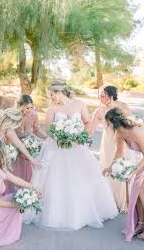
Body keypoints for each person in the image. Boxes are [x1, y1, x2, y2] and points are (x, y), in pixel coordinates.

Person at [24, 82, 118, 230]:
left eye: (52, 95)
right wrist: (62, 137)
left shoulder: (80, 104)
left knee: (80, 178)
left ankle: (85, 212)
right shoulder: (52, 108)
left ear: (59, 92)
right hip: (57, 149)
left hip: (77, 148)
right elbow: (49, 130)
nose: (51, 98)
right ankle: (57, 214)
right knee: (57, 180)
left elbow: (87, 122)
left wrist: (79, 135)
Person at [88, 85, 139, 212]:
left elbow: (132, 125)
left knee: (123, 167)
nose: (101, 98)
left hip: (123, 140)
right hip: (108, 144)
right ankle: (109, 201)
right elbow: (90, 131)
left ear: (111, 95)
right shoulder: (99, 111)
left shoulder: (123, 107)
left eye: (103, 95)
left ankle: (125, 201)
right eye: (99, 95)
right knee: (108, 168)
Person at [103, 107, 144, 242]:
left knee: (142, 194)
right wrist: (110, 167)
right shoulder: (120, 133)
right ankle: (140, 224)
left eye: (107, 123)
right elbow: (119, 153)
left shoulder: (135, 131)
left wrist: (133, 170)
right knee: (136, 195)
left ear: (113, 121)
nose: (106, 126)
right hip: (140, 165)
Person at [14, 95, 47, 182]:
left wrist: (46, 138)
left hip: (28, 148)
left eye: (31, 107)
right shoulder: (15, 116)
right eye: (27, 108)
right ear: (20, 107)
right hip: (15, 146)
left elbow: (36, 131)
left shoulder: (34, 115)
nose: (30, 110)